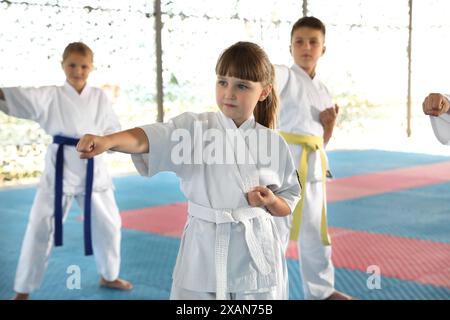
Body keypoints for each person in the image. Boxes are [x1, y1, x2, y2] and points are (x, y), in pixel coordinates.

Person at [76, 41, 300, 300]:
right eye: (222, 82)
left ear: (264, 92)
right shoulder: (195, 129)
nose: (229, 93)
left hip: (255, 250)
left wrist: (271, 200)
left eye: (242, 86)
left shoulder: (274, 144)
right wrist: (109, 141)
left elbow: (289, 201)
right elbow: (152, 138)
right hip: (203, 245)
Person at [0, 42, 132, 300]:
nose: (78, 70)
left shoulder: (99, 97)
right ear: (63, 65)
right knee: (40, 227)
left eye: (84, 66)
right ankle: (23, 289)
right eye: (72, 64)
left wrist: (110, 143)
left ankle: (109, 274)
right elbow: (20, 96)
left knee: (109, 224)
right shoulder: (50, 94)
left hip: (93, 167)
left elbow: (111, 129)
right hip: (59, 169)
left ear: (91, 68)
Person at [273, 16, 353, 300]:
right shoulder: (283, 76)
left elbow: (321, 139)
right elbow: (269, 75)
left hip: (314, 163)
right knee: (276, 229)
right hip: (285, 164)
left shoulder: (324, 89)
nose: (306, 47)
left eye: (313, 42)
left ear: (323, 49)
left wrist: (329, 127)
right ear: (290, 47)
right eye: (299, 41)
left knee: (315, 232)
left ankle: (321, 291)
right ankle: (266, 295)